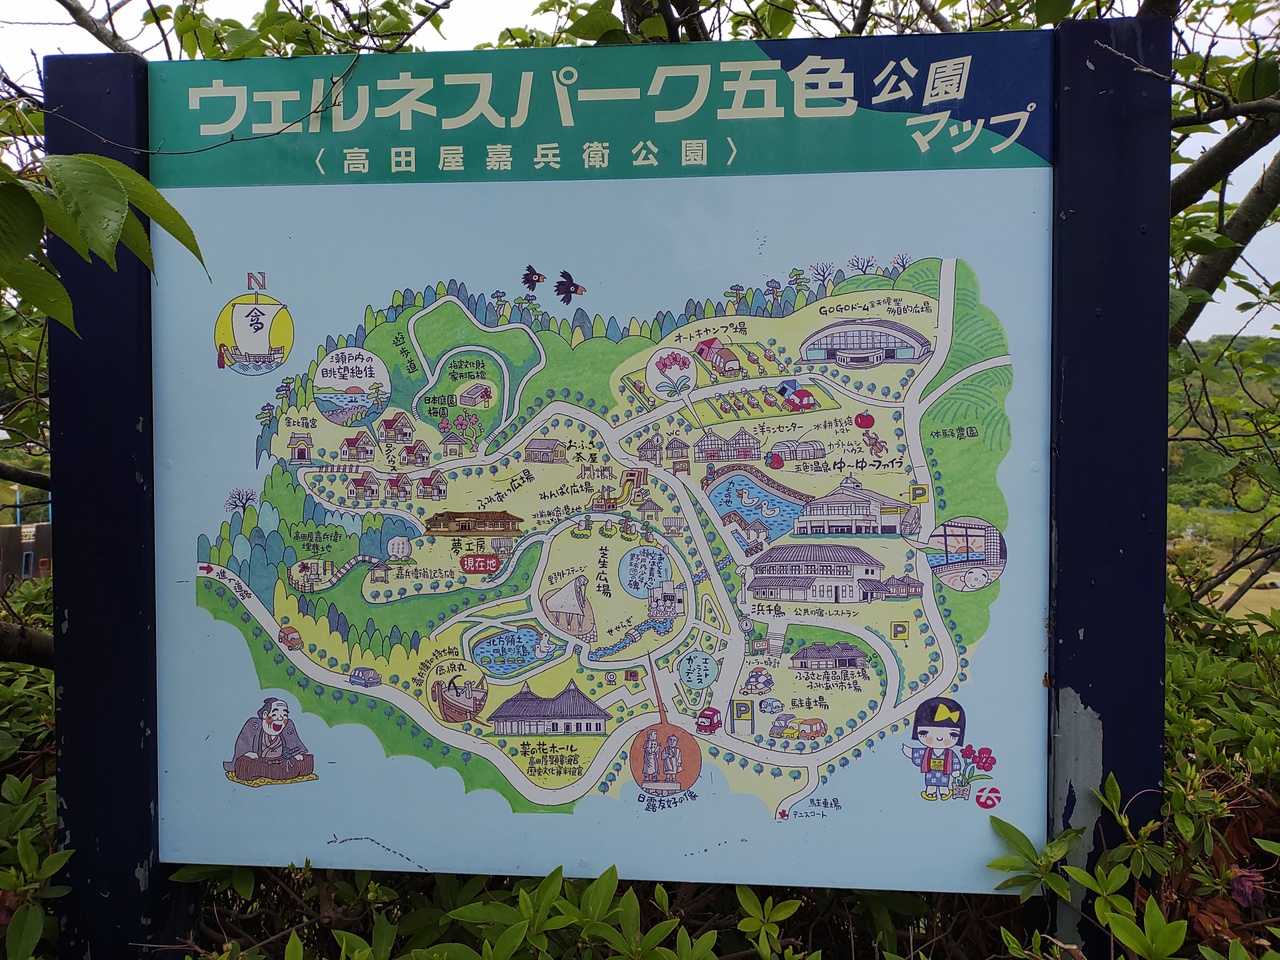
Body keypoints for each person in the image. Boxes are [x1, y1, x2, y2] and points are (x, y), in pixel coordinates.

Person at [225, 698, 314, 785]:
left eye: (284, 715)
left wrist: (296, 755)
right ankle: (274, 772)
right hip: (260, 763)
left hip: (281, 763)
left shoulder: (288, 726)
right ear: (265, 715)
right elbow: (243, 745)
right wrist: (248, 754)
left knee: (305, 762)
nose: (280, 718)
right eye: (275, 714)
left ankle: (273, 772)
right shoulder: (254, 725)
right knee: (245, 765)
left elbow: (296, 748)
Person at [901, 697, 965, 801]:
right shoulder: (927, 752)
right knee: (930, 784)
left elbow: (955, 761)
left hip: (944, 774)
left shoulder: (949, 754)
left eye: (952, 735)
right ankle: (931, 793)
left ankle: (944, 793)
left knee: (944, 784)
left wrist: (956, 770)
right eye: (925, 733)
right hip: (931, 773)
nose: (939, 738)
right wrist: (909, 751)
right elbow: (917, 753)